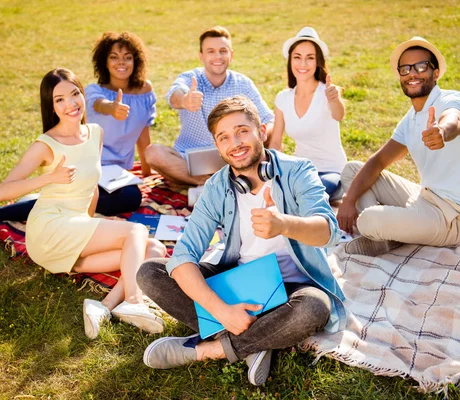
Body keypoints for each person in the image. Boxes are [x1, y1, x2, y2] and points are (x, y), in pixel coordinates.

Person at [137, 96, 345, 386]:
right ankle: (258, 339)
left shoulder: (298, 170)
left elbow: (328, 231)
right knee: (150, 272)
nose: (234, 142)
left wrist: (283, 224)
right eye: (224, 137)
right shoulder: (217, 186)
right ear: (218, 146)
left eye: (242, 131)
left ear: (261, 131)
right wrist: (223, 311)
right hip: (240, 284)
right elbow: (183, 256)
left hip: (293, 289)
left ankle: (207, 349)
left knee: (315, 306)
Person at [0, 68, 167, 339]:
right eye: (59, 99)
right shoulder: (46, 144)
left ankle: (104, 307)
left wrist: (92, 224)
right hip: (50, 229)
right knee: (136, 231)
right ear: (50, 105)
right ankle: (135, 301)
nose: (70, 104)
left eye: (74, 94)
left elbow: (91, 191)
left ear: (83, 94)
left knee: (153, 249)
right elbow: (2, 191)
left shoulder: (95, 133)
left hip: (75, 232)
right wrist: (50, 178)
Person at [0, 31, 154, 229]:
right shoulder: (93, 91)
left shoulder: (144, 91)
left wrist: (147, 172)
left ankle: (42, 200)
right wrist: (112, 108)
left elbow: (143, 131)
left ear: (136, 61)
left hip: (115, 173)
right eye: (114, 57)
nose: (121, 63)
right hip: (83, 166)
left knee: (131, 197)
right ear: (104, 62)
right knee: (78, 197)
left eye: (127, 57)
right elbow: (99, 104)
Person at [337, 36, 460, 257]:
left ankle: (380, 230)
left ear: (435, 73)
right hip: (425, 197)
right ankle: (386, 234)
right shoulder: (411, 119)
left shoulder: (453, 100)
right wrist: (349, 201)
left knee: (369, 219)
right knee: (352, 170)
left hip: (455, 217)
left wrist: (442, 132)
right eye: (405, 69)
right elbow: (378, 161)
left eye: (421, 66)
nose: (412, 74)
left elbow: (455, 120)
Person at [145, 26, 274, 189]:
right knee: (153, 153)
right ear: (201, 56)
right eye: (211, 51)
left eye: (223, 51)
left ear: (231, 55)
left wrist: (261, 137)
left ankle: (223, 182)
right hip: (188, 161)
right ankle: (206, 184)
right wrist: (185, 100)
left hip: (233, 155)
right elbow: (174, 96)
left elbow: (269, 120)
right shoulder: (189, 78)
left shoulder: (243, 83)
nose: (217, 56)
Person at [269, 27, 347, 198]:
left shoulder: (328, 93)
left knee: (308, 194)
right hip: (301, 171)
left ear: (318, 61)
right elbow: (275, 142)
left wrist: (334, 99)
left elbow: (338, 115)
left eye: (309, 58)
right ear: (290, 60)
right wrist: (270, 172)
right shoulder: (283, 98)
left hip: (331, 172)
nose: (302, 64)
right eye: (297, 57)